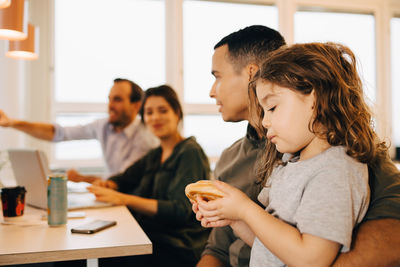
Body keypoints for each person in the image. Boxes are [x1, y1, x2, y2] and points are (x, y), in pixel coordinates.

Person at [195, 25, 400, 267]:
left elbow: (311, 258)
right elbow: (269, 246)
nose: (264, 120)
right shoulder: (289, 163)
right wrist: (232, 217)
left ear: (315, 99)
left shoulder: (336, 171)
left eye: (272, 108)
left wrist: (245, 210)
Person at [86, 85, 211, 267]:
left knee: (103, 256)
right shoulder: (155, 154)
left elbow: (180, 210)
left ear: (177, 113)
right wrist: (109, 185)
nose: (155, 118)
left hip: (177, 245)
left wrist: (123, 199)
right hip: (150, 236)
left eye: (162, 111)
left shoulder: (189, 152)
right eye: (149, 112)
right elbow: (124, 179)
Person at [0, 78, 158, 180]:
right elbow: (59, 133)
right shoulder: (103, 126)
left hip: (132, 207)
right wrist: (13, 123)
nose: (110, 106)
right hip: (112, 197)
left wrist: (81, 178)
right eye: (109, 99)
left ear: (136, 105)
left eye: (117, 99)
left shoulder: (145, 138)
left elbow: (121, 181)